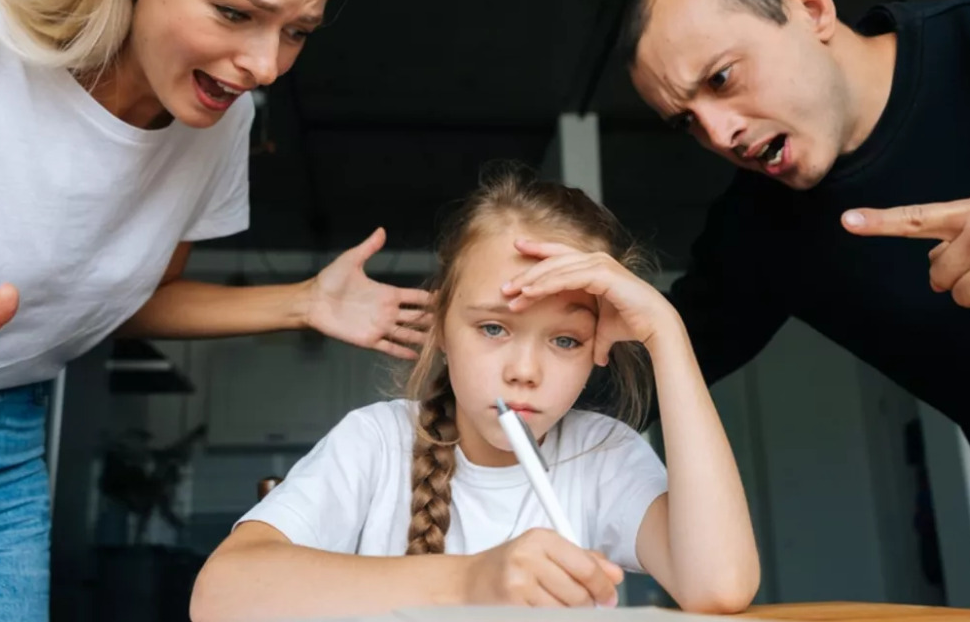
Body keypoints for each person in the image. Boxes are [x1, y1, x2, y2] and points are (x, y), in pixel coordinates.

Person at [0, 0, 430, 618]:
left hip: (3, 452)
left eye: (296, 31)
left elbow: (133, 299)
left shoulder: (218, 123)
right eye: (234, 13)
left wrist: (305, 302)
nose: (266, 66)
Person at [621, 0, 970, 612]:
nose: (719, 134)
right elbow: (635, 376)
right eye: (686, 121)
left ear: (809, 7)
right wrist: (481, 338)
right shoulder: (759, 230)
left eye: (722, 78)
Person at [188, 164, 761, 621]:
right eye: (493, 328)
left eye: (565, 340)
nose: (525, 371)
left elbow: (720, 587)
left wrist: (667, 334)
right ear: (441, 328)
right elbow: (220, 596)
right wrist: (471, 581)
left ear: (598, 347)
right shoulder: (378, 443)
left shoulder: (600, 454)